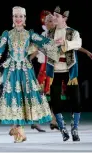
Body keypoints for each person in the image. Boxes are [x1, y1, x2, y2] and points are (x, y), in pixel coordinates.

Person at [0, 6, 60, 143]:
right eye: (16, 16)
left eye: (21, 17)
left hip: (25, 70)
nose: (18, 19)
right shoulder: (7, 34)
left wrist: (56, 44)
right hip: (11, 70)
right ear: (13, 18)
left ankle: (18, 129)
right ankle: (17, 128)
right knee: (13, 97)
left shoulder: (29, 34)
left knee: (24, 98)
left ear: (25, 19)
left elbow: (45, 43)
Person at [46, 6, 83, 142]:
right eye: (54, 15)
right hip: (54, 72)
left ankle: (75, 128)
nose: (54, 18)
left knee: (76, 100)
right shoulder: (49, 33)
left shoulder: (72, 32)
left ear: (64, 18)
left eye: (57, 16)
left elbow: (78, 44)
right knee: (55, 101)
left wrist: (65, 43)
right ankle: (62, 129)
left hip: (69, 71)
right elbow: (45, 48)